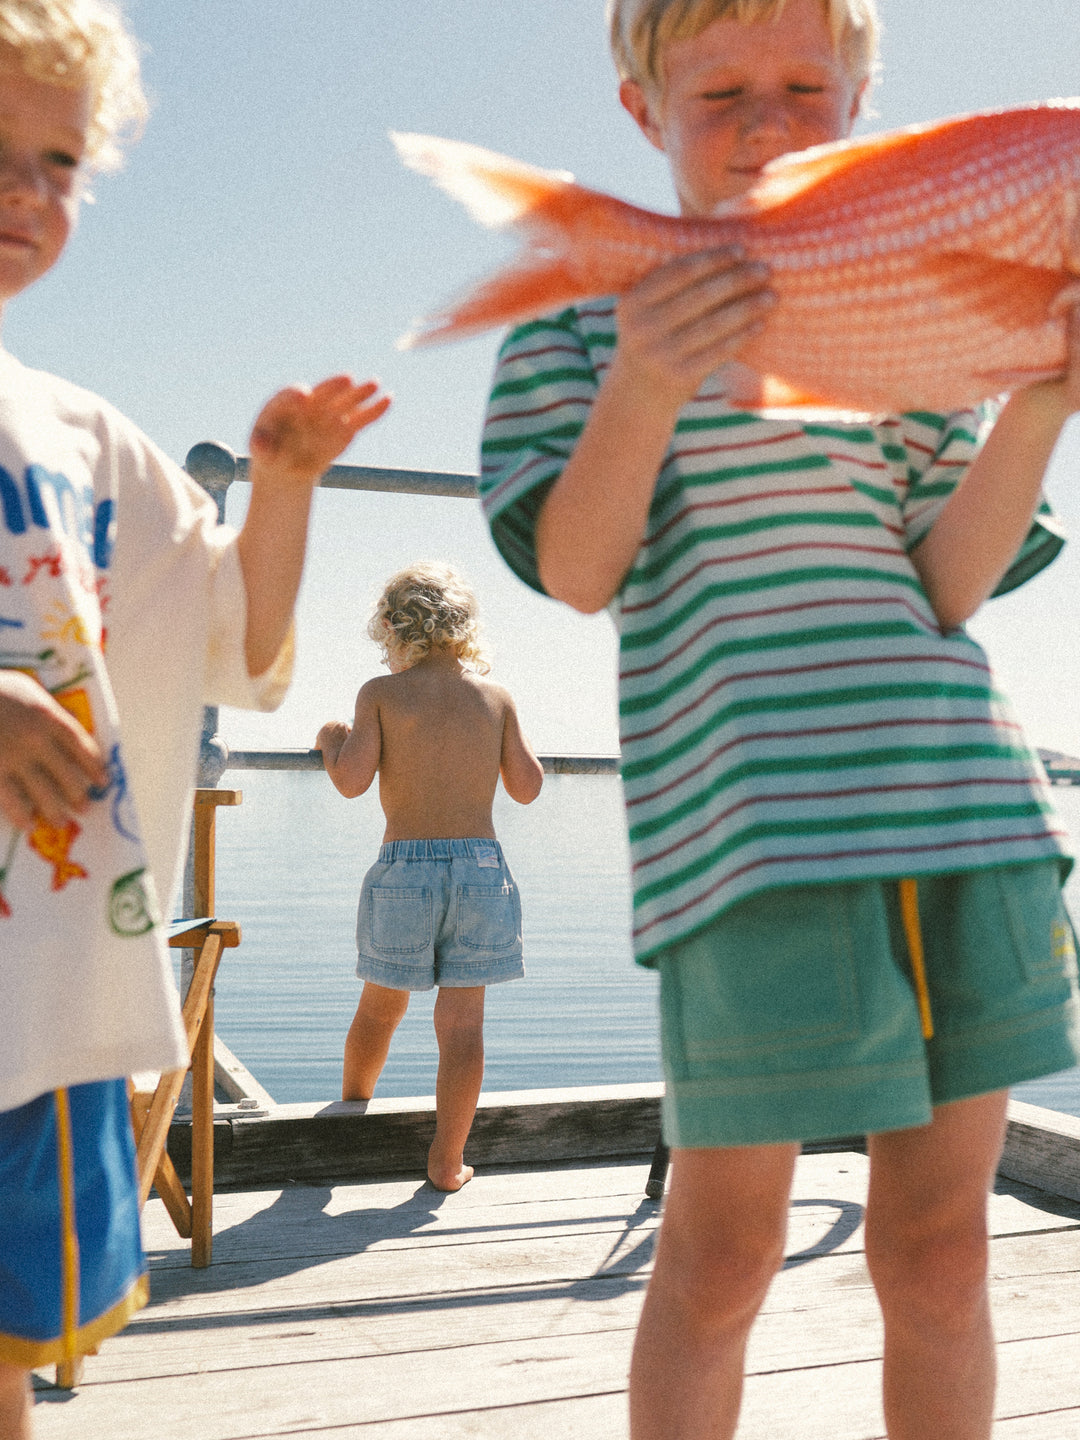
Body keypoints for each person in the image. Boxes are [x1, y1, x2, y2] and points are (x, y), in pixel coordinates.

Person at [477, 1, 1080, 1436]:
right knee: (724, 1247)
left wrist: (1043, 405)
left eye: (809, 83)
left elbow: (943, 587)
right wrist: (650, 373)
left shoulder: (920, 304)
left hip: (969, 817)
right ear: (640, 111)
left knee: (942, 1248)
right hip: (748, 853)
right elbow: (576, 570)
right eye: (720, 91)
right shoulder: (578, 312)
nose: (768, 120)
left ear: (869, 98)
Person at [0, 2, 390, 1433]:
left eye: (57, 163)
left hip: (41, 1009)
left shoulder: (84, 439)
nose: (28, 196)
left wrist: (283, 489)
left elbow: (233, 639)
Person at [316, 561, 543, 1191]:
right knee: (463, 1025)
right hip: (481, 869)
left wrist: (331, 740)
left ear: (393, 632)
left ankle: (349, 1119)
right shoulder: (495, 698)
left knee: (380, 1007)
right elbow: (526, 788)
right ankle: (447, 1161)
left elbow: (352, 781)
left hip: (406, 870)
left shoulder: (380, 695)